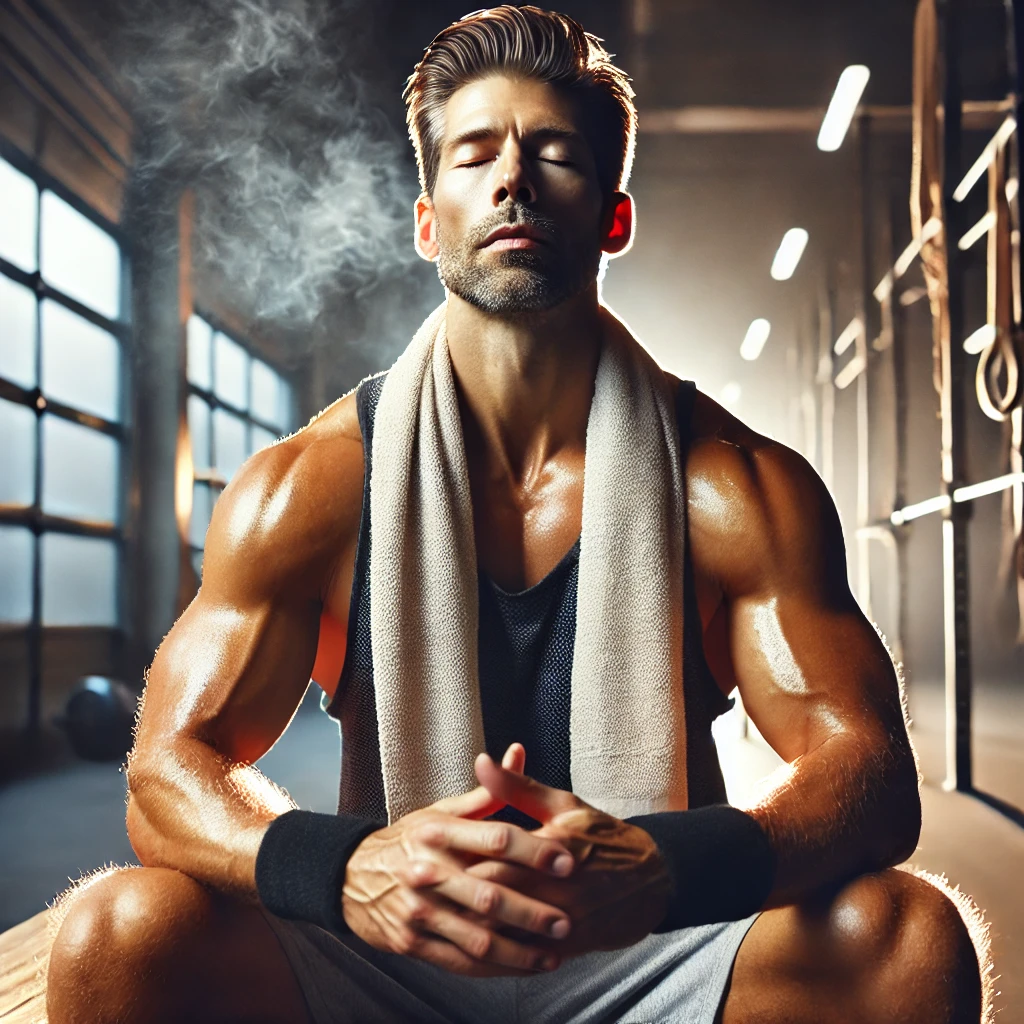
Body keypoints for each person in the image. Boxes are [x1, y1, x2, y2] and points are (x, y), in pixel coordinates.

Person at [46, 7, 983, 1023]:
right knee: (119, 933)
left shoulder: (735, 486)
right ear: (425, 218)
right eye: (475, 154)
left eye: (553, 153)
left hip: (651, 938)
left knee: (905, 940)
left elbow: (868, 775)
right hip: (391, 939)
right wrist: (352, 867)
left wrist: (662, 868)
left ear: (613, 216)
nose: (512, 180)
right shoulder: (311, 490)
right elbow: (165, 775)